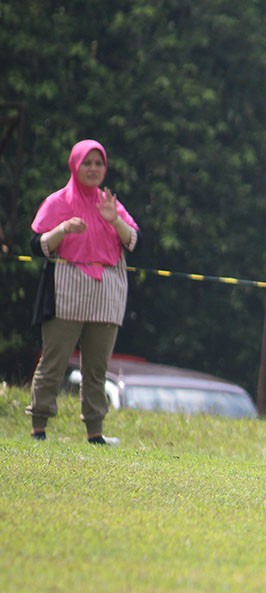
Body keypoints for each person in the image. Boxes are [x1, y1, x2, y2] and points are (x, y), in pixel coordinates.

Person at [26, 139, 139, 445]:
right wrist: (62, 229)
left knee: (97, 367)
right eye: (86, 163)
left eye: (98, 163)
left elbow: (132, 240)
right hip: (66, 291)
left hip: (107, 291)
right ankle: (39, 426)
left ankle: (95, 431)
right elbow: (37, 244)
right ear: (74, 165)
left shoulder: (109, 202)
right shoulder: (58, 201)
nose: (93, 169)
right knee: (54, 360)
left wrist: (113, 219)